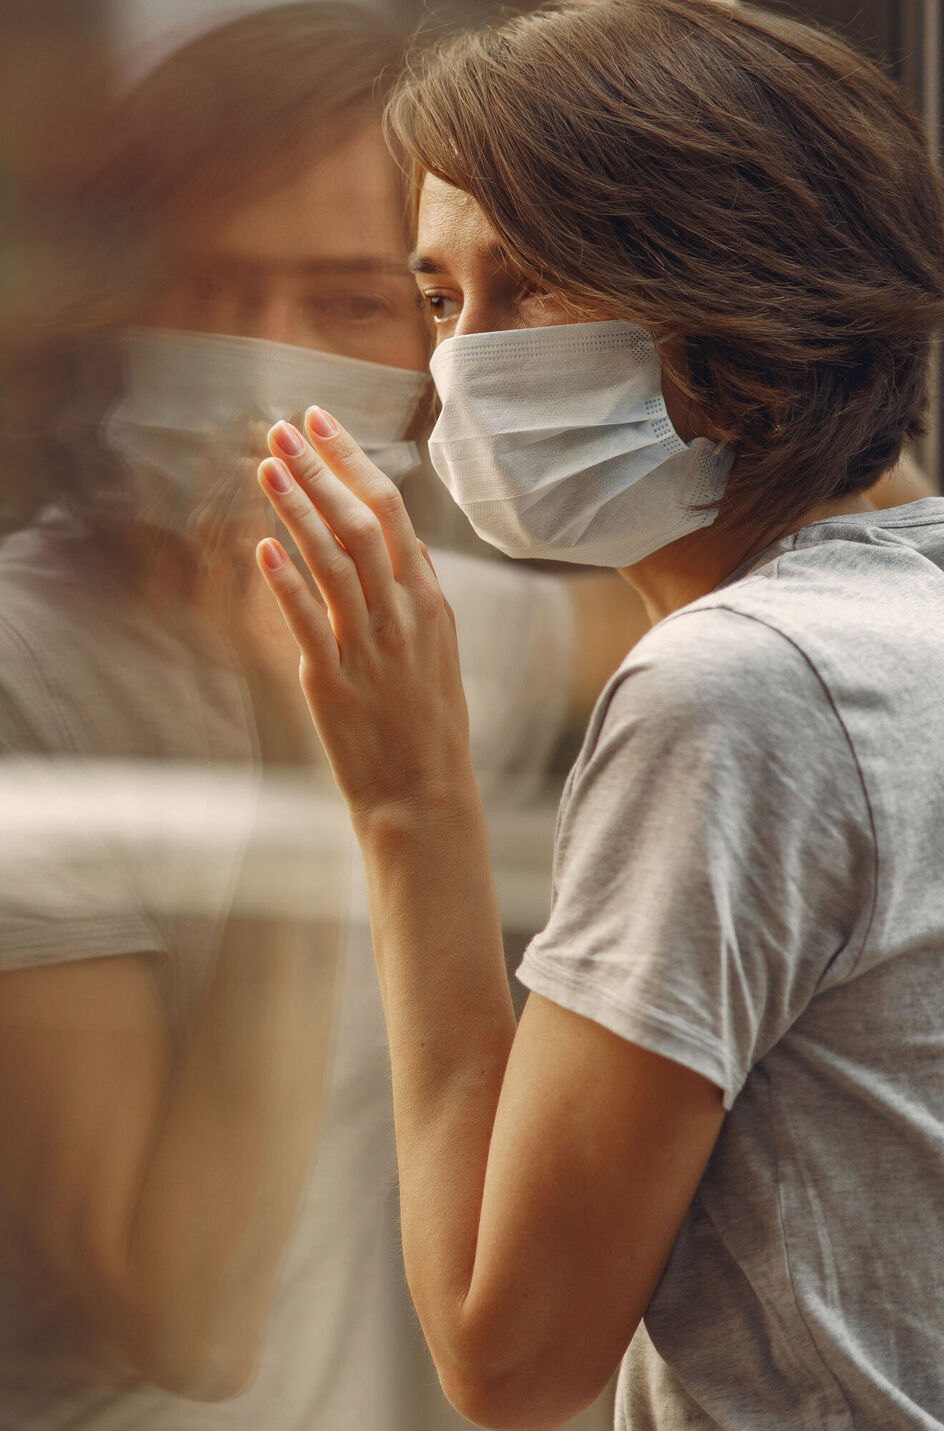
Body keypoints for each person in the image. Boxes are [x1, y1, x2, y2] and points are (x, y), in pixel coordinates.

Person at [253, 1, 944, 1428]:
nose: (464, 363)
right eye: (439, 299)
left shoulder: (741, 687)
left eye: (529, 286)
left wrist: (412, 799)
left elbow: (510, 1358)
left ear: (737, 291)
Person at [0, 5, 628, 1428]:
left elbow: (796, 605)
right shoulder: (20, 666)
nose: (260, 361)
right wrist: (306, 750)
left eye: (343, 304)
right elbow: (184, 1316)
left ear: (439, 340)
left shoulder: (445, 622)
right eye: (211, 289)